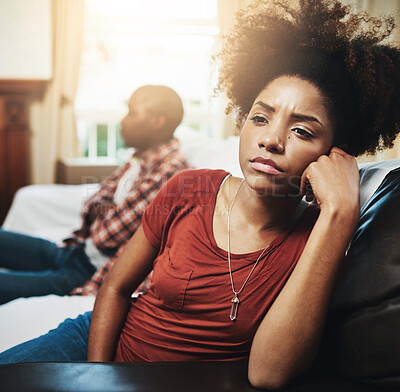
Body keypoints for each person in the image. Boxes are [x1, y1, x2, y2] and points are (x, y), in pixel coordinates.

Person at [1, 1, 400, 390]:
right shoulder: (189, 188)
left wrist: (340, 213)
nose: (270, 140)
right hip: (93, 347)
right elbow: (116, 287)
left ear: (334, 152)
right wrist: (97, 375)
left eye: (302, 131)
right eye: (260, 118)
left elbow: (268, 375)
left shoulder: (320, 238)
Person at [0, 85, 190, 304]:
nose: (123, 121)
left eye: (132, 112)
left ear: (158, 122)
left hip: (88, 273)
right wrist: (106, 212)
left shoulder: (170, 173)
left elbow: (104, 237)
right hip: (74, 251)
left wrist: (103, 212)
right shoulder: (141, 159)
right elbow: (92, 203)